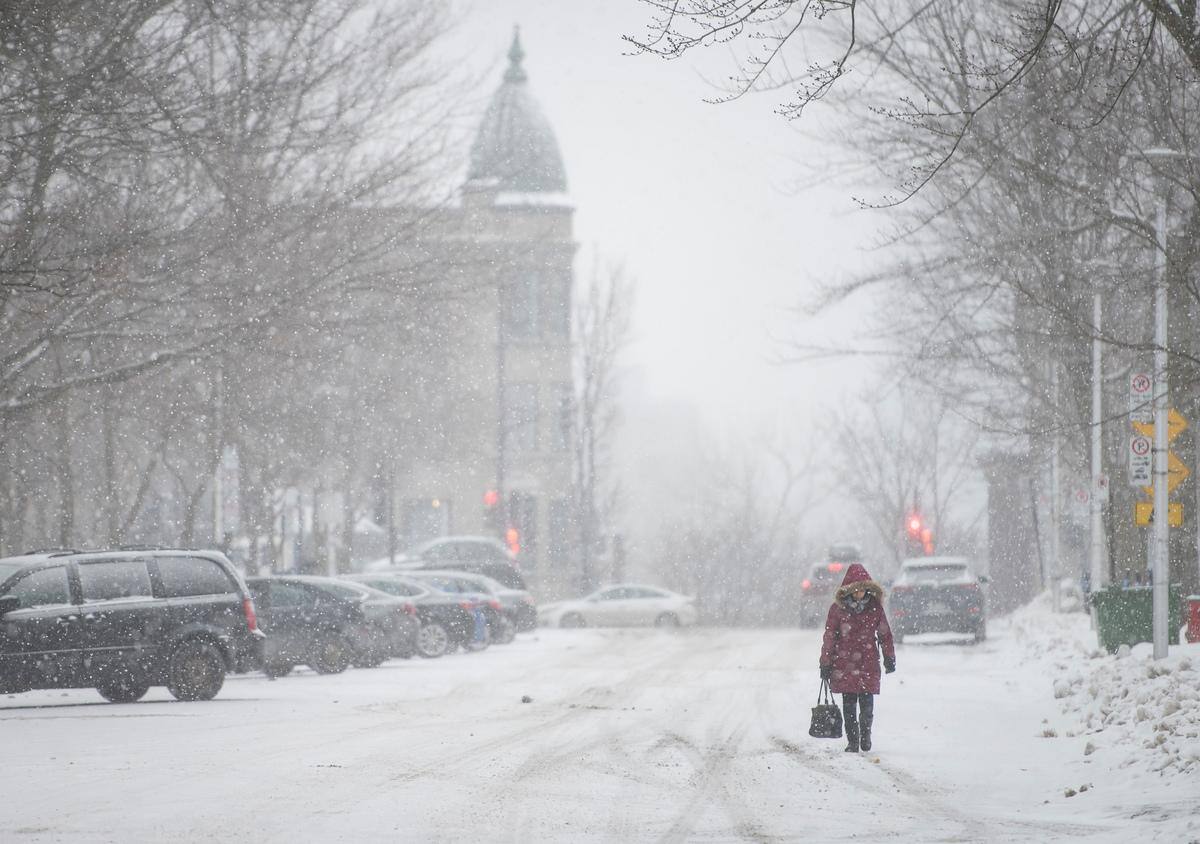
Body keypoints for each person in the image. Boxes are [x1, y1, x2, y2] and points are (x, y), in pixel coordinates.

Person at [819, 562, 896, 753]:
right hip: (844, 664)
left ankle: (865, 735)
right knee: (849, 705)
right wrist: (825, 663)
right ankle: (852, 741)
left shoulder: (874, 608)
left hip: (868, 663)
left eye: (863, 589)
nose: (860, 593)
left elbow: (885, 634)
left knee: (867, 706)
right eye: (856, 589)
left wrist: (889, 657)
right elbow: (829, 637)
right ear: (849, 590)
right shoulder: (837, 610)